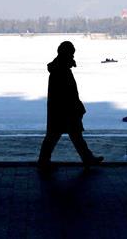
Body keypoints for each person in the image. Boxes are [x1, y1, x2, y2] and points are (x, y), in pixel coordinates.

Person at [38, 41, 104, 170]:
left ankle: (44, 161)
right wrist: (76, 106)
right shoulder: (61, 69)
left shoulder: (60, 67)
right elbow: (67, 92)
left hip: (61, 110)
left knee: (62, 136)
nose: (73, 56)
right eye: (71, 53)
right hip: (65, 110)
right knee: (67, 136)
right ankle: (87, 159)